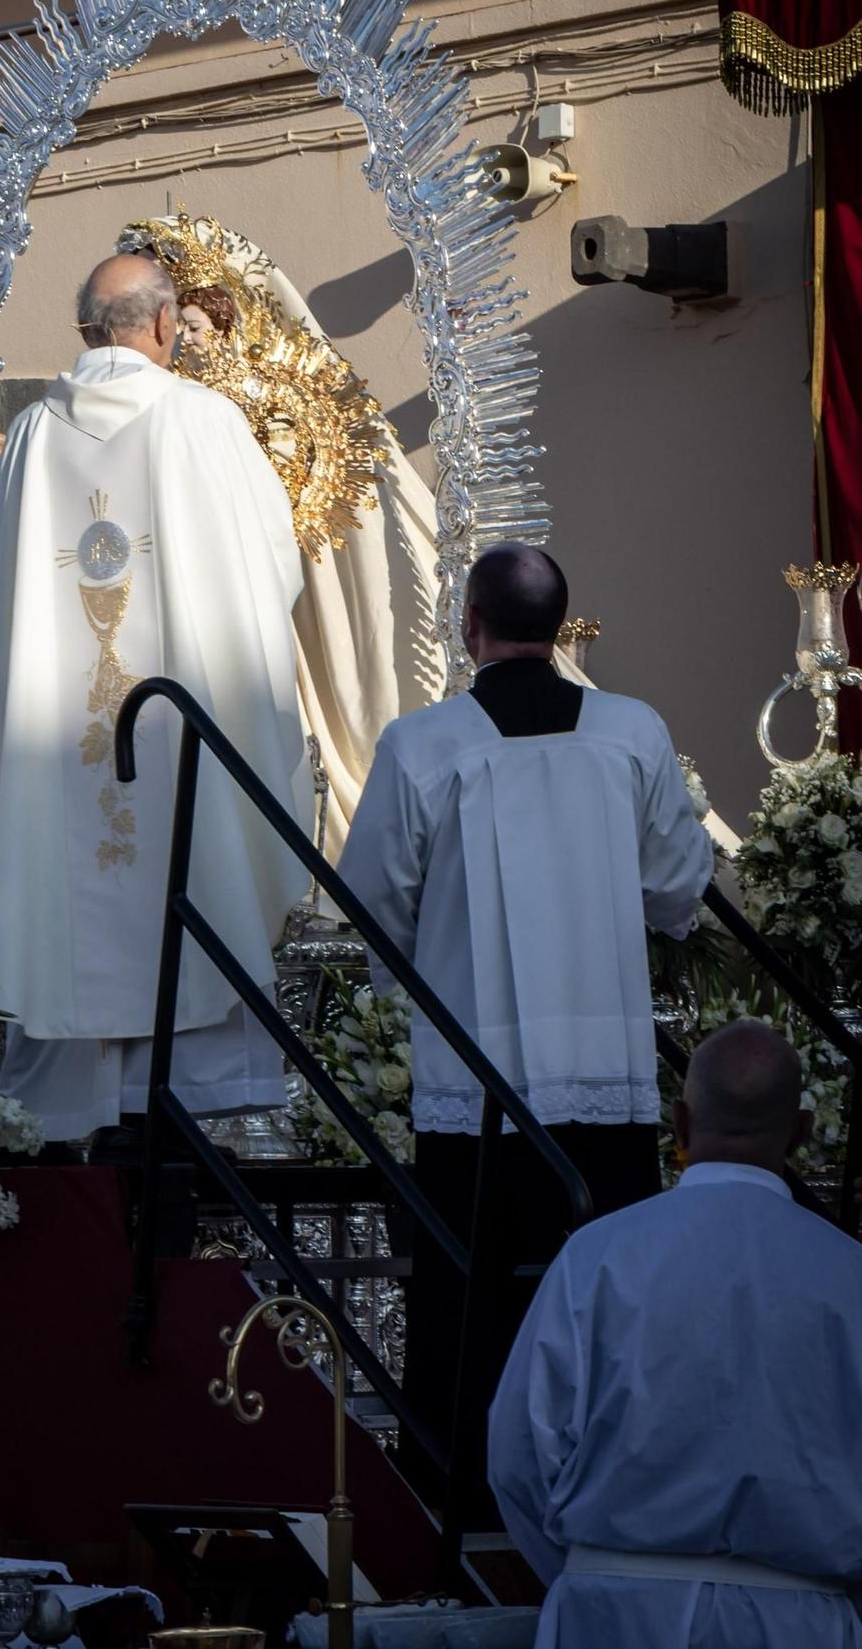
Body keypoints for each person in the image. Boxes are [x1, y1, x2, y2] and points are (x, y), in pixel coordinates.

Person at [338, 541, 713, 1483]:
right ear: (559, 629)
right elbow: (676, 888)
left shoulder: (421, 745)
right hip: (611, 1080)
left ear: (468, 625)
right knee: (609, 1294)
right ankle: (625, 1477)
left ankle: (462, 1490)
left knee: (473, 1307)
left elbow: (370, 903)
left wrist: (405, 977)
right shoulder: (630, 732)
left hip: (475, 1081)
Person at [0, 252, 313, 1142]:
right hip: (177, 748)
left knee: (76, 881)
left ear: (87, 330)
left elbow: (7, 593)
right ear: (166, 324)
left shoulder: (27, 436)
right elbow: (267, 577)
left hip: (65, 746)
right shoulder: (202, 420)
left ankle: (78, 1133)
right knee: (193, 864)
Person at [490, 1020, 862, 1647]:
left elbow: (519, 1456)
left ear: (680, 1123)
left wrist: (592, 1569)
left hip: (614, 1612)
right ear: (800, 1132)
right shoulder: (849, 1272)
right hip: (800, 1619)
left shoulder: (596, 1257)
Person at [117, 211, 448, 858]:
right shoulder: (166, 408)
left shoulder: (261, 399)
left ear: (227, 316)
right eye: (172, 327)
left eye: (192, 326)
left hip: (268, 588)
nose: (182, 343)